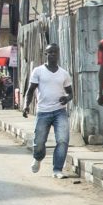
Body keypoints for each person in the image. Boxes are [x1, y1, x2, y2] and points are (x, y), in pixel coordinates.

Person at [23, 44, 74, 179]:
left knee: (62, 140)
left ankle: (57, 169)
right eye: (49, 52)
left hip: (59, 111)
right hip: (43, 111)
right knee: (39, 141)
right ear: (45, 54)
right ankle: (38, 158)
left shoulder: (64, 73)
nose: (52, 54)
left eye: (54, 52)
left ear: (58, 54)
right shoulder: (38, 71)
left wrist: (67, 98)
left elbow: (70, 93)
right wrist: (25, 105)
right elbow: (30, 90)